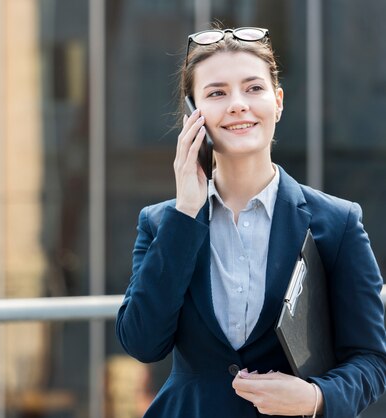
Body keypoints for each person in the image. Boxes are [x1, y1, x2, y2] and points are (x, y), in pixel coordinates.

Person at [115, 26, 386, 418]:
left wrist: (314, 398)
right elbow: (142, 343)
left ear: (277, 102)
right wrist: (187, 212)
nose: (238, 104)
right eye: (216, 93)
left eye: (253, 88)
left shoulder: (337, 223)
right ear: (192, 114)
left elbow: (371, 361)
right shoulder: (163, 223)